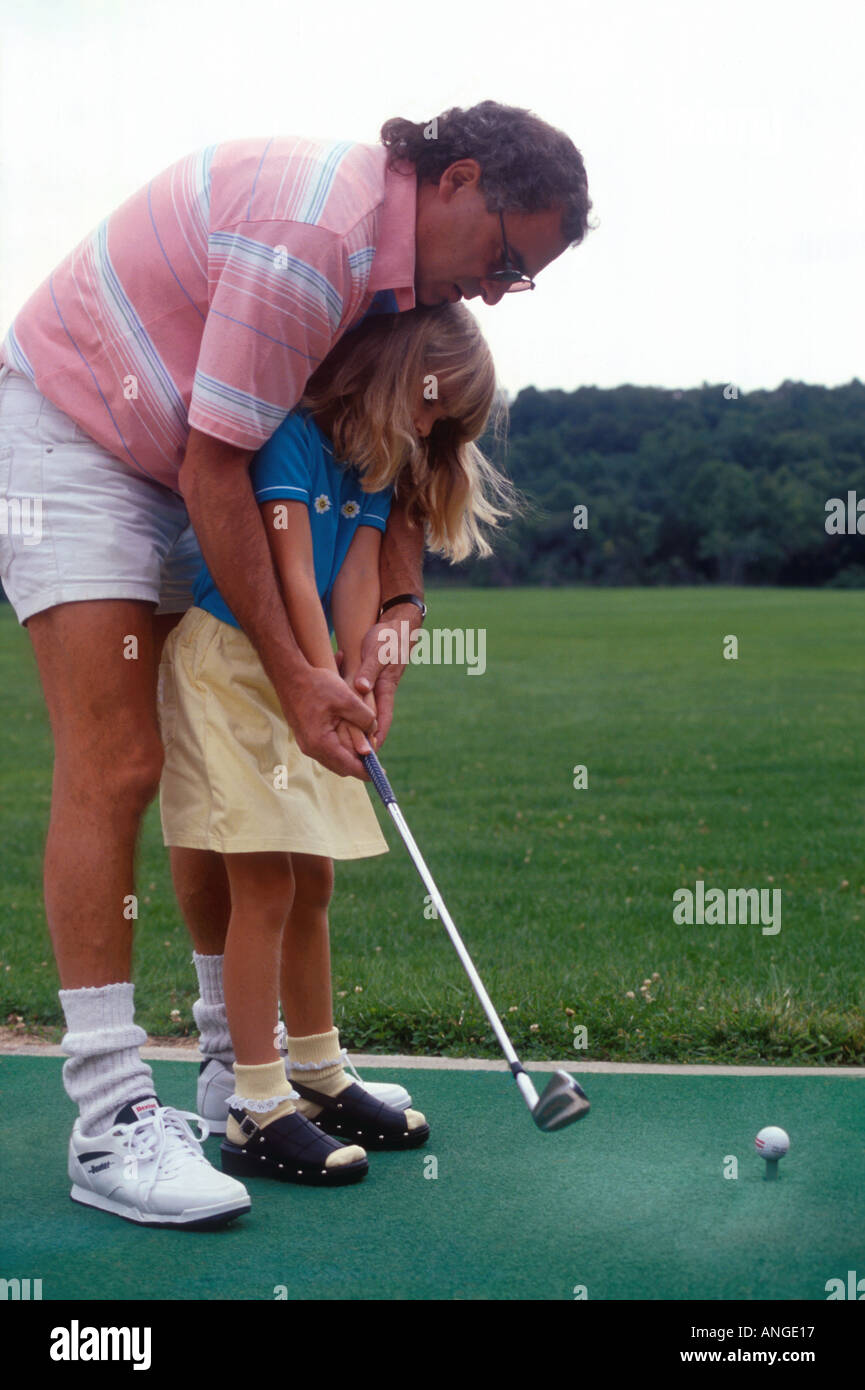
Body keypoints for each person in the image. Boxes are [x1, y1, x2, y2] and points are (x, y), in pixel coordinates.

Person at [0, 100, 592, 1227]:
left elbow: (392, 461)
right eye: (507, 258)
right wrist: (299, 672)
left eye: (525, 281)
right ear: (459, 180)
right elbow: (223, 470)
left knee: (195, 793)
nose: (499, 290)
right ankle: (112, 1118)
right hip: (74, 432)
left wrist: (397, 621)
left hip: (179, 452)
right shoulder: (317, 239)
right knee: (116, 761)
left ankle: (242, 1071)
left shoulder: (400, 281)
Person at [159, 302, 509, 1187]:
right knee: (264, 881)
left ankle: (316, 1071)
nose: (431, 427)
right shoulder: (289, 436)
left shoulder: (373, 466)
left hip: (304, 676)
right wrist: (321, 681)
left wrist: (356, 681)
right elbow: (289, 581)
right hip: (235, 669)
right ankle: (254, 1102)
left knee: (312, 876)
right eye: (433, 406)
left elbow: (354, 577)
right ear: (397, 375)